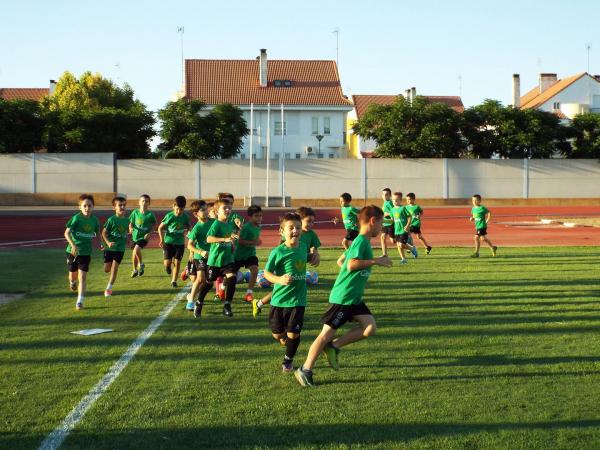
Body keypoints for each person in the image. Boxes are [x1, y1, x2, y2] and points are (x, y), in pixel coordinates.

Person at [295, 205, 393, 387]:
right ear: (373, 221)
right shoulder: (361, 241)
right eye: (380, 223)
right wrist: (376, 261)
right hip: (343, 298)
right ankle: (305, 370)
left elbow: (342, 261)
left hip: (354, 298)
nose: (381, 228)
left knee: (370, 327)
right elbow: (351, 265)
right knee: (325, 334)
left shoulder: (360, 241)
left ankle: (334, 346)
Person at [252, 206, 321, 319]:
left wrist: (315, 256)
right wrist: (277, 277)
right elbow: (281, 251)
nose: (311, 224)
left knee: (287, 288)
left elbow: (312, 251)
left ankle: (259, 303)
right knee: (281, 288)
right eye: (308, 221)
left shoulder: (311, 235)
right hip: (283, 268)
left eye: (313, 222)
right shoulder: (285, 242)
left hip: (298, 270)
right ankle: (260, 303)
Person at [263, 213, 309, 372]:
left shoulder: (303, 246)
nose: (295, 230)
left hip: (298, 300)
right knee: (277, 334)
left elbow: (307, 257)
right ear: (281, 231)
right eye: (291, 228)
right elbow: (266, 273)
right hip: (279, 301)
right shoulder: (278, 252)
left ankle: (288, 360)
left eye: (298, 227)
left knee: (293, 333)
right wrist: (279, 279)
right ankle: (287, 343)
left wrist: (315, 257)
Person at [192, 199, 239, 318]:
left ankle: (227, 305)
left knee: (232, 278)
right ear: (217, 212)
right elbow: (209, 239)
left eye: (229, 208)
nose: (228, 210)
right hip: (215, 261)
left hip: (227, 260)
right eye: (225, 208)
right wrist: (224, 240)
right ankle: (199, 302)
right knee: (208, 283)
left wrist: (232, 243)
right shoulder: (216, 224)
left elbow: (229, 238)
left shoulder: (229, 224)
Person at [64, 194, 100, 310]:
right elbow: (66, 233)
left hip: (85, 252)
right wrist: (73, 245)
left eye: (89, 206)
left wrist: (100, 244)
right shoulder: (76, 218)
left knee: (82, 277)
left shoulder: (94, 220)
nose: (87, 208)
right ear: (80, 207)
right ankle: (72, 282)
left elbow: (97, 233)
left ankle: (80, 301)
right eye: (84, 206)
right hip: (72, 252)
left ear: (93, 207)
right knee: (73, 276)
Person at [185, 200, 213, 311]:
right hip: (200, 257)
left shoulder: (213, 222)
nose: (206, 211)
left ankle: (191, 296)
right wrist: (200, 252)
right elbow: (189, 245)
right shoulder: (197, 228)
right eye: (203, 210)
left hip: (212, 257)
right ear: (196, 214)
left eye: (206, 209)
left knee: (208, 281)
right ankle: (191, 301)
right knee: (200, 279)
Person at [157, 195, 190, 288]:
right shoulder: (169, 216)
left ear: (184, 208)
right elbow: (160, 228)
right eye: (177, 209)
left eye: (181, 210)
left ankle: (174, 281)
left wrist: (190, 234)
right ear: (173, 206)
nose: (179, 212)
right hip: (168, 242)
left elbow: (189, 228)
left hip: (179, 243)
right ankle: (167, 267)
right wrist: (161, 239)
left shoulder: (185, 217)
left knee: (177, 262)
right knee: (167, 263)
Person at [233, 205, 263, 303]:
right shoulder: (246, 228)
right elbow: (240, 241)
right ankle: (222, 287)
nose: (259, 218)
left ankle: (249, 293)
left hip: (250, 254)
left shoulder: (258, 227)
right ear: (250, 217)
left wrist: (255, 243)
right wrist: (254, 243)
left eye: (260, 216)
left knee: (255, 270)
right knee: (231, 276)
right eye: (256, 216)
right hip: (238, 255)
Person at [101, 196, 129, 297]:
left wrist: (128, 241)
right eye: (120, 205)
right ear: (114, 207)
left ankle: (108, 288)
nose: (122, 207)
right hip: (109, 248)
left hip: (120, 249)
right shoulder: (111, 220)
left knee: (114, 268)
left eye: (124, 205)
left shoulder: (127, 220)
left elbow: (125, 234)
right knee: (107, 269)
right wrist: (108, 242)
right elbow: (103, 233)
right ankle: (109, 285)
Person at [128, 194, 156, 278]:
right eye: (143, 201)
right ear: (139, 202)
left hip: (144, 238)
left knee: (136, 250)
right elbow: (130, 223)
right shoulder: (135, 212)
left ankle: (141, 264)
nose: (144, 203)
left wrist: (149, 233)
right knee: (134, 254)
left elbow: (155, 225)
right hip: (134, 237)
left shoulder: (150, 215)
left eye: (146, 201)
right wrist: (130, 228)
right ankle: (135, 270)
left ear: (149, 203)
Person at [391, 192, 418, 263]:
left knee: (401, 244)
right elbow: (392, 220)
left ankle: (412, 248)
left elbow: (410, 216)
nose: (394, 201)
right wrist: (383, 221)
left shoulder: (403, 208)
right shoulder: (392, 210)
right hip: (397, 230)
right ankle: (403, 259)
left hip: (403, 230)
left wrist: (407, 225)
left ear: (400, 200)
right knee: (398, 246)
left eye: (396, 200)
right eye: (393, 200)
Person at [380, 188, 395, 256]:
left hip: (390, 223)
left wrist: (387, 214)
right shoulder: (385, 202)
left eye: (386, 195)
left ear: (390, 196)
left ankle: (410, 247)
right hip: (385, 223)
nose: (384, 196)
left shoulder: (390, 203)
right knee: (382, 237)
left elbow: (394, 212)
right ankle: (384, 254)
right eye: (383, 194)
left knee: (393, 241)